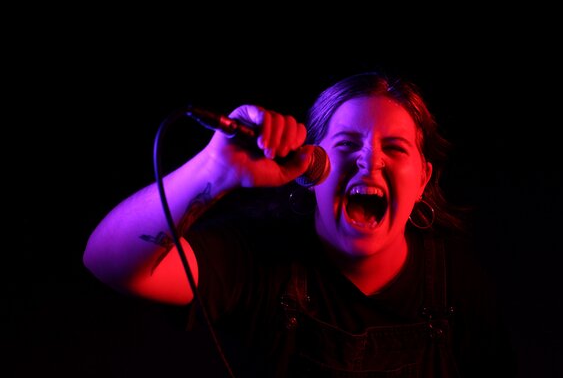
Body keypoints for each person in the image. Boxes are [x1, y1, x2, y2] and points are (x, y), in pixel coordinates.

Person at [83, 71, 517, 377]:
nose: (370, 159)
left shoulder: (460, 286)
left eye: (395, 148)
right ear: (311, 169)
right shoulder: (256, 260)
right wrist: (213, 170)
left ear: (422, 179)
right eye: (346, 144)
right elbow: (106, 260)